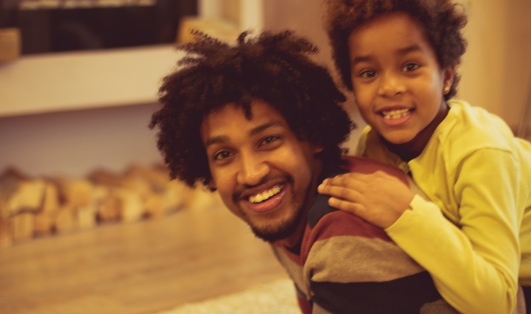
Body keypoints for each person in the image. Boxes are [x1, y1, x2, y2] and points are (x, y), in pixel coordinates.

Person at [317, 0, 531, 313]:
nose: (389, 87)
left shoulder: (481, 152)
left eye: (410, 66)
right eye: (368, 72)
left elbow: (497, 304)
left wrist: (406, 213)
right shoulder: (372, 146)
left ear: (445, 76)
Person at [149, 30, 460, 313]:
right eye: (224, 154)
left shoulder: (342, 235)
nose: (251, 174)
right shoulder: (289, 209)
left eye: (268, 140)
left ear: (311, 135)